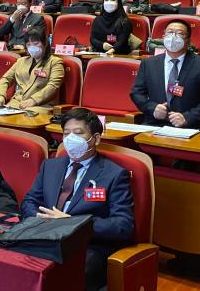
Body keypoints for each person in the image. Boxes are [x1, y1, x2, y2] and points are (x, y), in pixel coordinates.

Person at [20, 108, 135, 291]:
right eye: (66, 133)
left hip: (86, 246)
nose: (71, 138)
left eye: (78, 133)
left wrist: (73, 224)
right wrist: (41, 220)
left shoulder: (114, 175)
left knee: (67, 273)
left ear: (96, 139)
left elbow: (123, 225)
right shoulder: (50, 166)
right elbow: (29, 202)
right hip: (44, 235)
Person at [130, 19, 200, 129]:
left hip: (189, 127)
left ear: (189, 40)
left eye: (180, 33)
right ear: (163, 37)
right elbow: (137, 93)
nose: (173, 37)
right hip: (155, 124)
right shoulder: (148, 63)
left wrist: (187, 117)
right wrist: (152, 109)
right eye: (169, 33)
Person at [0, 27, 63, 109]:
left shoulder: (55, 62)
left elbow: (53, 86)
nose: (32, 47)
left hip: (40, 105)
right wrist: (1, 95)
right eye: (29, 44)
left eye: (36, 43)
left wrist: (33, 100)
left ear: (45, 43)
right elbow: (6, 79)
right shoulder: (21, 61)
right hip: (17, 103)